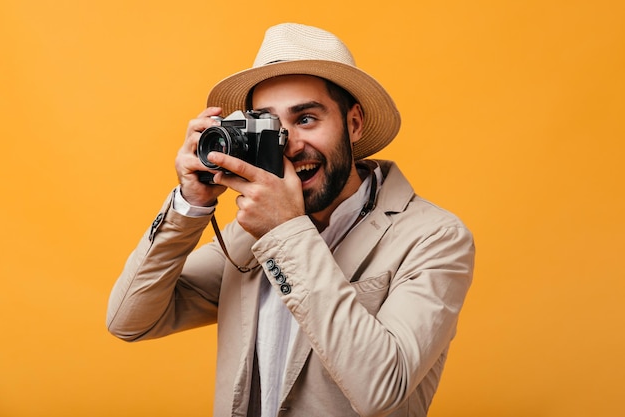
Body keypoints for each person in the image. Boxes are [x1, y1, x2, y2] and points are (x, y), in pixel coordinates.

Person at [107, 23, 475, 417]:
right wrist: (189, 205)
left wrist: (285, 230)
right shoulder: (248, 238)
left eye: (306, 119)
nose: (290, 144)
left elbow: (381, 389)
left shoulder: (434, 237)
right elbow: (129, 320)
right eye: (270, 125)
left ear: (354, 123)